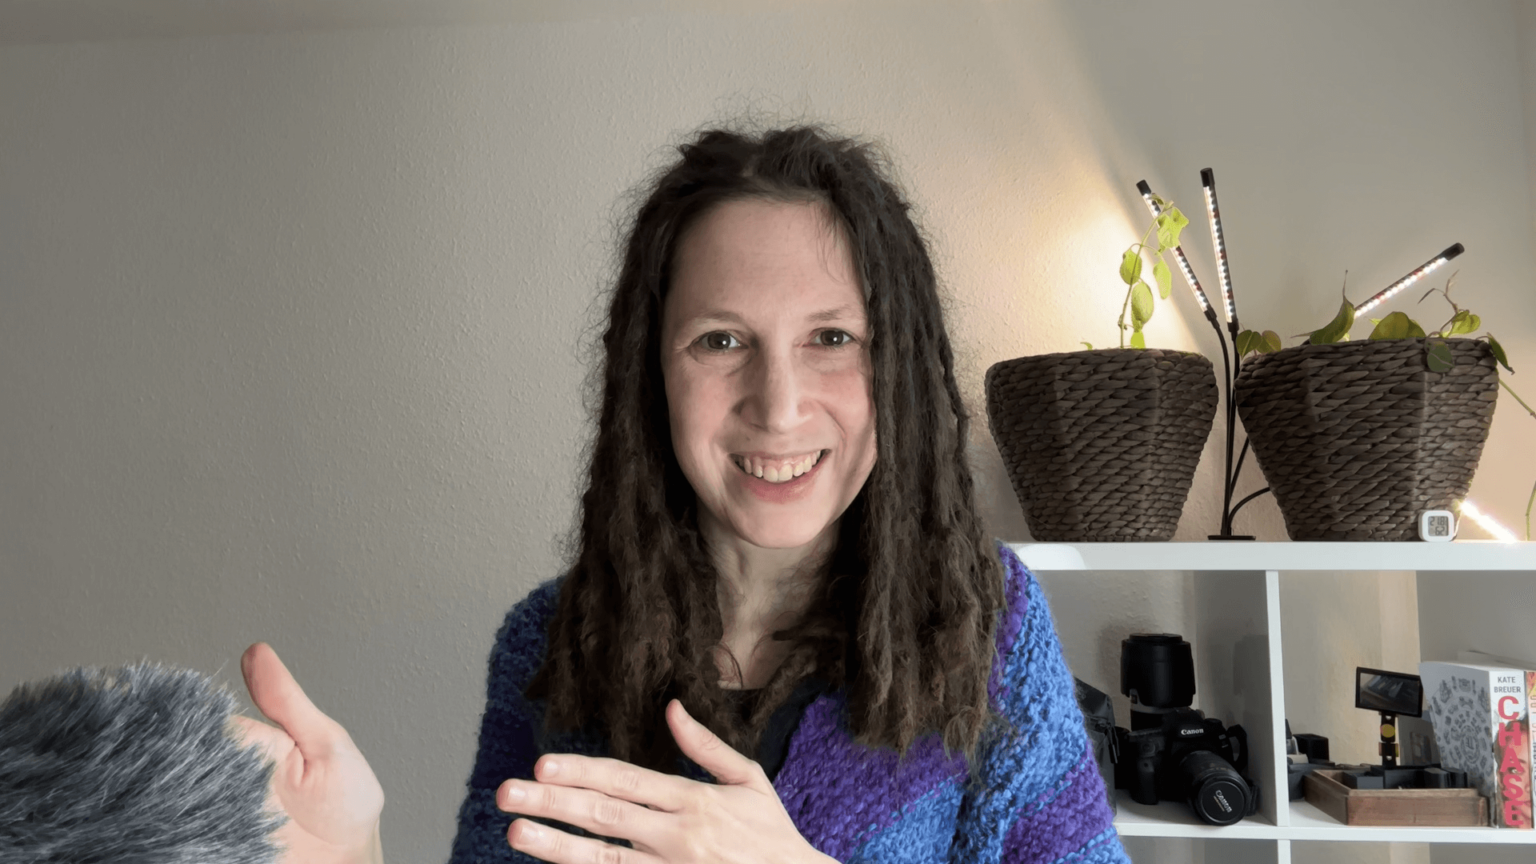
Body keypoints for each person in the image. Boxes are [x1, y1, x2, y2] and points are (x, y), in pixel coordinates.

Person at [236, 124, 1129, 864]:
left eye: (831, 336)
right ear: (651, 374)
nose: (778, 407)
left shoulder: (988, 628)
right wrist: (352, 854)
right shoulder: (546, 648)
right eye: (721, 342)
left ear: (895, 367)